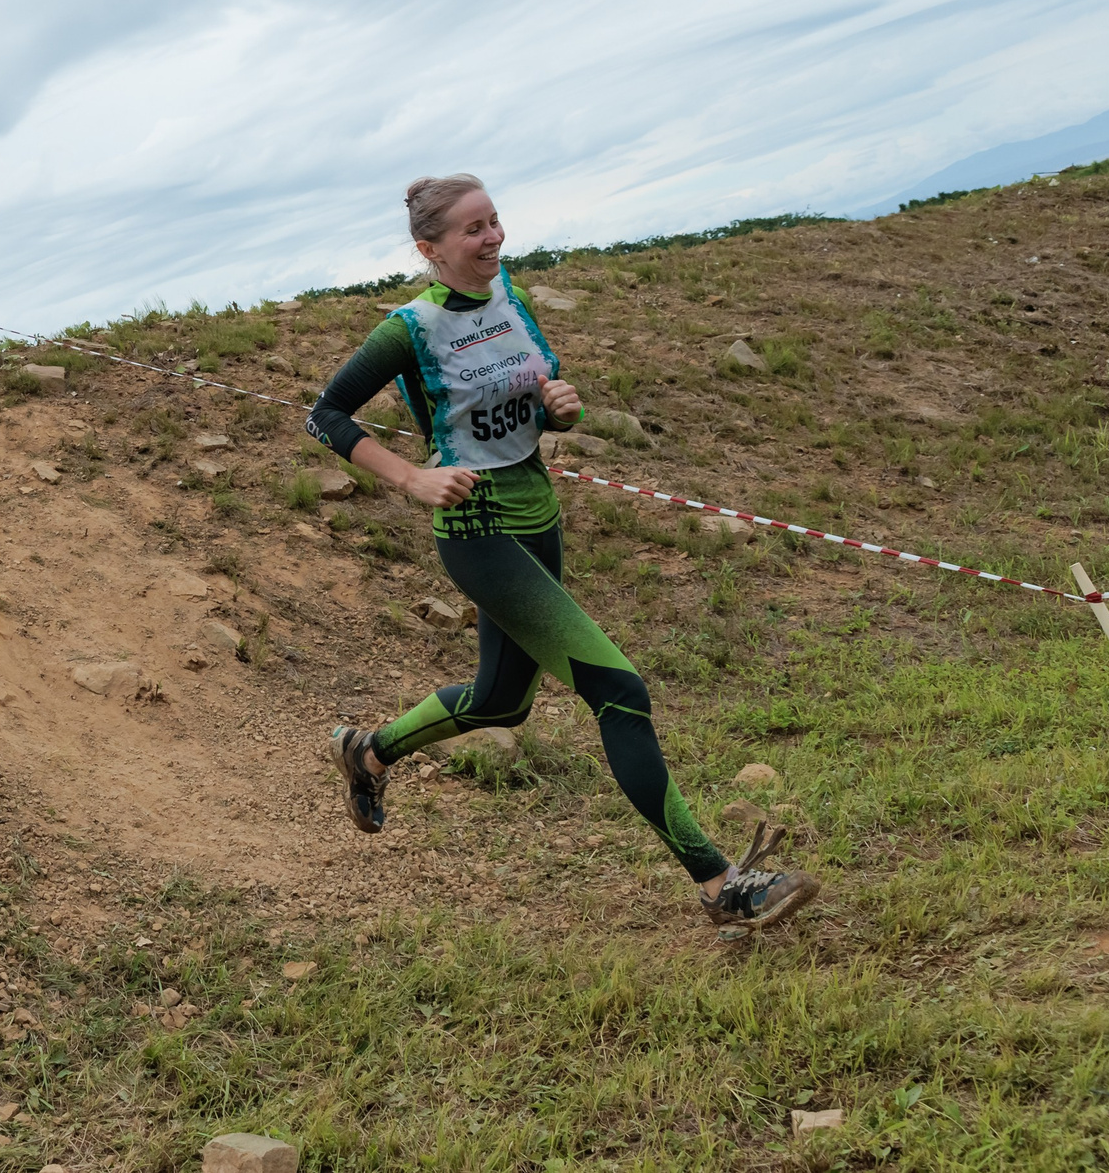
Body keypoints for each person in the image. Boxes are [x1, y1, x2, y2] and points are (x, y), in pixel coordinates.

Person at [306, 175, 819, 933]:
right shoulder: (408, 328)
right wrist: (413, 477)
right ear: (430, 248)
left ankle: (369, 752)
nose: (493, 238)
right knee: (619, 689)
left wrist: (561, 409)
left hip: (538, 517)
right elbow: (326, 415)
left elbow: (542, 385)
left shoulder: (508, 294)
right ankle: (718, 883)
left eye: (495, 221)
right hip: (478, 531)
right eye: (474, 229)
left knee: (501, 700)